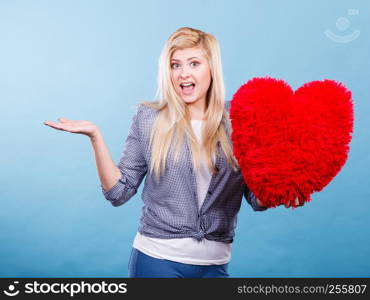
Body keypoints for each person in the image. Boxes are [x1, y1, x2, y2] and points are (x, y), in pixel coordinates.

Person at [44, 27, 303, 278]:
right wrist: (95, 137)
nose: (182, 73)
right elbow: (118, 192)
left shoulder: (240, 119)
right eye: (175, 65)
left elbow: (255, 197)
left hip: (216, 265)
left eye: (194, 63)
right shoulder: (149, 119)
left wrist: (283, 193)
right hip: (156, 261)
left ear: (212, 67)